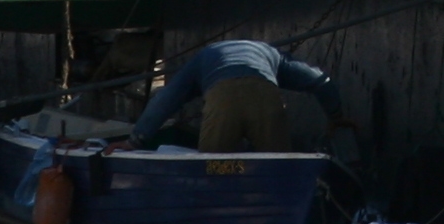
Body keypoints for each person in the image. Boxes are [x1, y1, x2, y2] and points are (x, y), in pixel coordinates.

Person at [126, 39, 339, 153]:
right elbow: (320, 81)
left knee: (214, 169)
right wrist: (336, 118)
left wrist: (135, 141)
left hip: (222, 100)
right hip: (265, 96)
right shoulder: (273, 55)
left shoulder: (203, 57)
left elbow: (165, 99)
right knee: (277, 167)